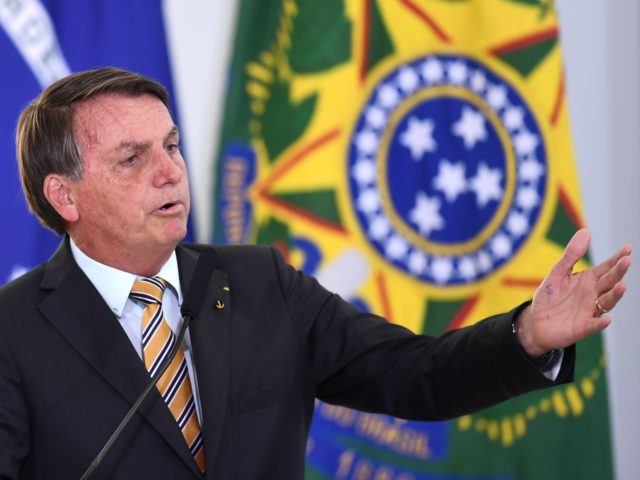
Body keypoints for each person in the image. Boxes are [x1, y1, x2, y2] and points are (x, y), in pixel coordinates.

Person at [0, 67, 630, 479]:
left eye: (170, 145)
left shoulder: (257, 283)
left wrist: (527, 337)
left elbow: (414, 376)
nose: (169, 172)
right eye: (132, 158)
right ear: (65, 197)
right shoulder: (12, 329)